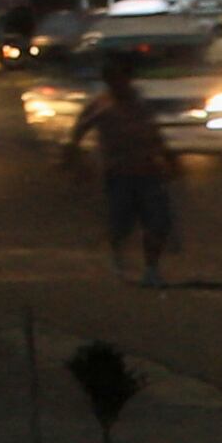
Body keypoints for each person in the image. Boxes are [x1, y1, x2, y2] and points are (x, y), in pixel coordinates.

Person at [69, 66, 182, 287]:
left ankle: (151, 269)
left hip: (149, 172)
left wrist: (169, 159)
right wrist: (76, 162)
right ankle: (117, 255)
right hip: (119, 174)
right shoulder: (100, 106)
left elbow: (153, 133)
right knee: (122, 223)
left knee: (157, 222)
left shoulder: (140, 104)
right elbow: (78, 132)